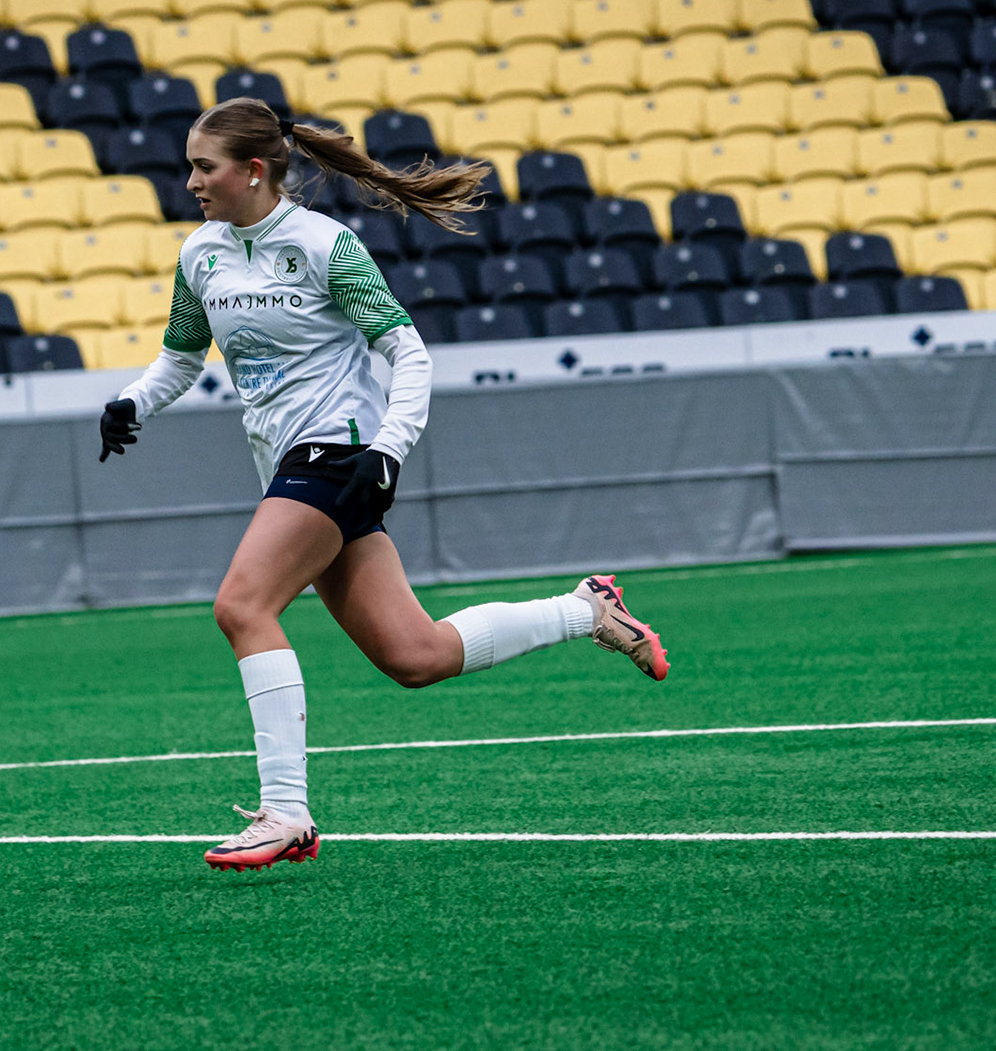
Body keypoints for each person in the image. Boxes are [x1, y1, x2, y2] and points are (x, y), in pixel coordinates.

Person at [96, 98, 669, 872]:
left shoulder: (325, 245)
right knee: (416, 656)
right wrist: (132, 401)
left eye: (205, 166)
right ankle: (585, 611)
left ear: (255, 170)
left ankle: (285, 812)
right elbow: (180, 359)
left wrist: (389, 448)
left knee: (241, 606)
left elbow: (410, 353)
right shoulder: (201, 254)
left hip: (341, 453)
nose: (190, 181)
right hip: (290, 468)